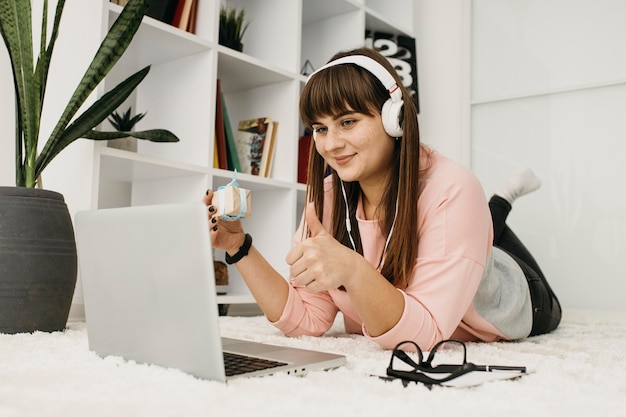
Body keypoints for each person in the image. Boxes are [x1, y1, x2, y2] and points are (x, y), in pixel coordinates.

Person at [203, 47, 561, 351]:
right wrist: (238, 247)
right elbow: (308, 319)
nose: (331, 144)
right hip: (450, 230)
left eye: (347, 122)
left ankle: (504, 199)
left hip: (516, 296)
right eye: (320, 128)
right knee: (474, 225)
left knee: (486, 222)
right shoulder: (328, 197)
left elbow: (422, 336)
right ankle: (496, 209)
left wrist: (353, 268)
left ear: (396, 119)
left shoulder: (454, 188)